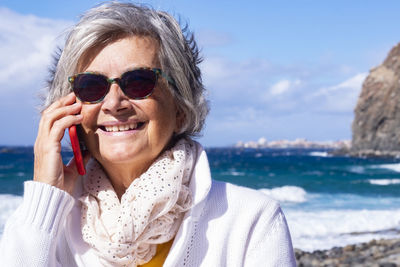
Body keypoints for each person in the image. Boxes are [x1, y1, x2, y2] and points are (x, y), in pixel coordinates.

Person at [0, 2, 296, 266]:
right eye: (92, 87)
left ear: (181, 106)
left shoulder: (251, 221)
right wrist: (43, 199)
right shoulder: (46, 227)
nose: (114, 103)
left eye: (139, 82)